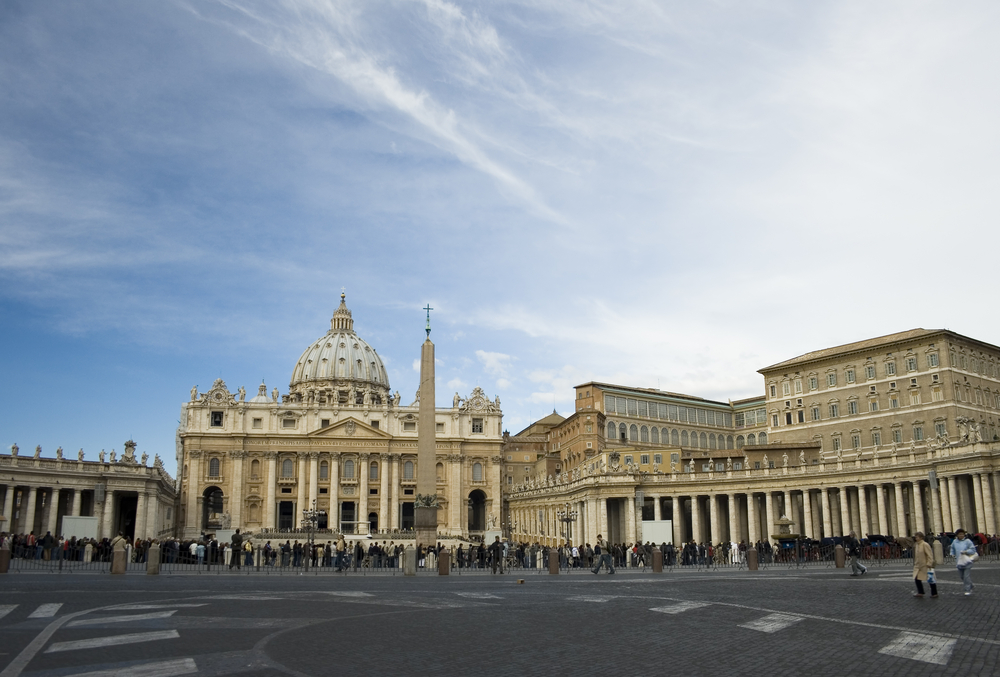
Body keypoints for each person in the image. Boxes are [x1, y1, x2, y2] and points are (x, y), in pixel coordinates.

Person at [950, 528, 977, 596]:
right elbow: (952, 548)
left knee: (966, 576)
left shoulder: (968, 541)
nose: (961, 535)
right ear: (957, 535)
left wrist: (966, 552)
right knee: (962, 576)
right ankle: (971, 585)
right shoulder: (954, 542)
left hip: (967, 561)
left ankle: (967, 589)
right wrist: (952, 554)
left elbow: (973, 550)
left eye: (962, 534)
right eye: (960, 534)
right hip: (959, 561)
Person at [912, 531, 937, 598]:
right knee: (917, 578)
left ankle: (934, 593)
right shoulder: (916, 545)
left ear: (921, 537)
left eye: (917, 537)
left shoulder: (925, 544)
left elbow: (930, 555)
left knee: (930, 579)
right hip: (918, 565)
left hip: (925, 565)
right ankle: (920, 592)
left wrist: (929, 563)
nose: (915, 538)